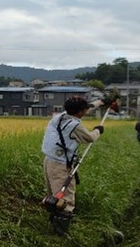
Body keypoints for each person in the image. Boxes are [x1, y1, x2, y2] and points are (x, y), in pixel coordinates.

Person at [41, 96, 105, 236]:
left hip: (49, 160)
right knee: (65, 199)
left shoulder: (59, 117)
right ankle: (60, 232)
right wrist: (98, 130)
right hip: (60, 164)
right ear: (80, 112)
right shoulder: (74, 125)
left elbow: (87, 106)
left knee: (53, 195)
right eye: (85, 110)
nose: (87, 111)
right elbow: (89, 138)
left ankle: (53, 222)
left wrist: (100, 103)